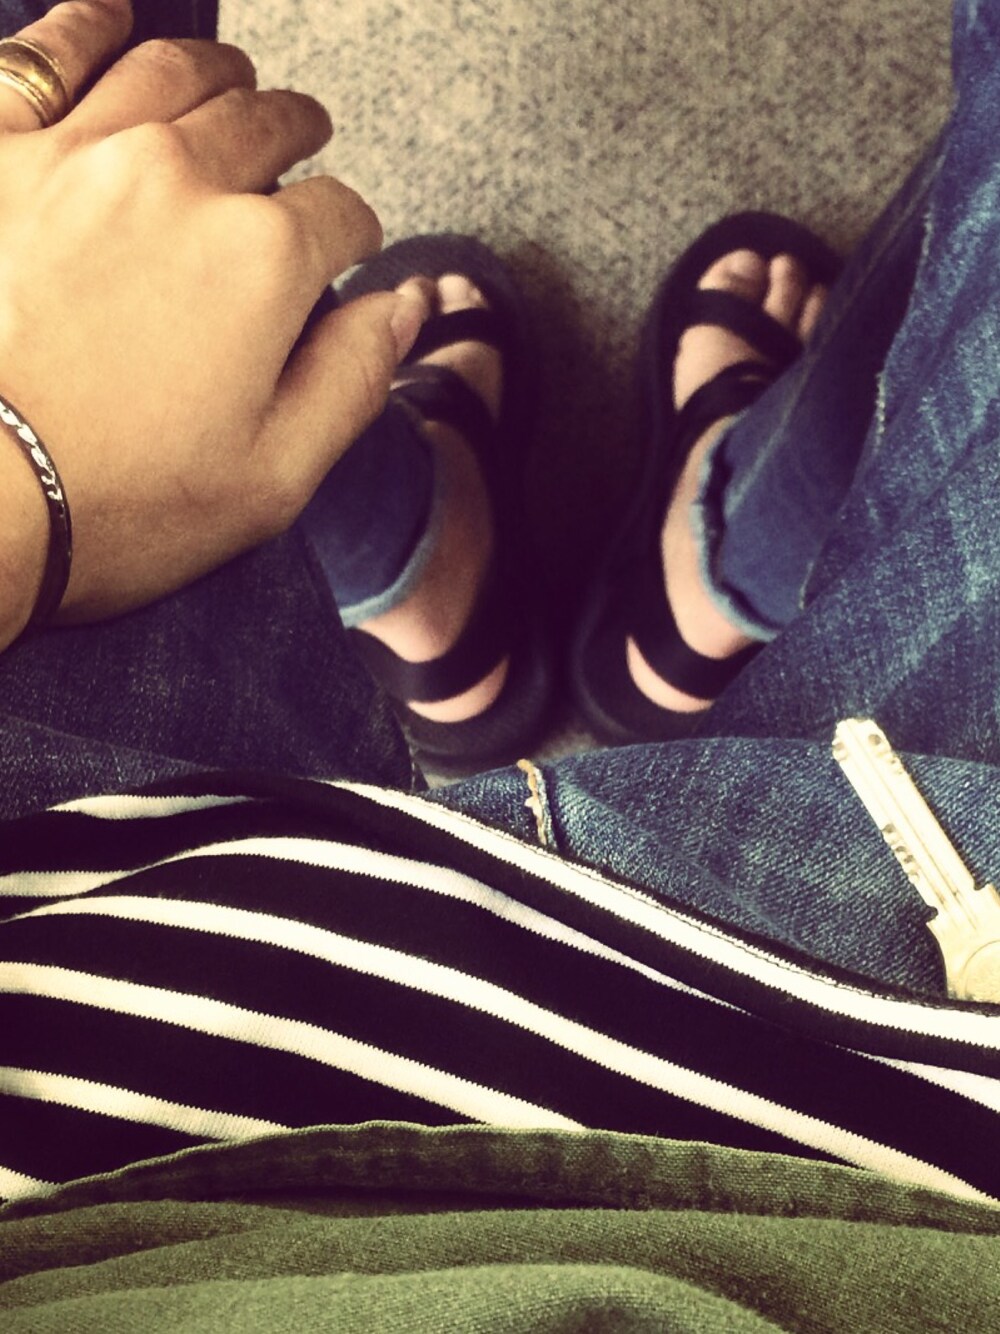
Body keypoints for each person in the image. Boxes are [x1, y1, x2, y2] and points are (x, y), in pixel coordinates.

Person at [1, 0, 999, 1327]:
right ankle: (713, 568)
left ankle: (441, 603)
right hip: (908, 1079)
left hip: (77, 941)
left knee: (87, 219)